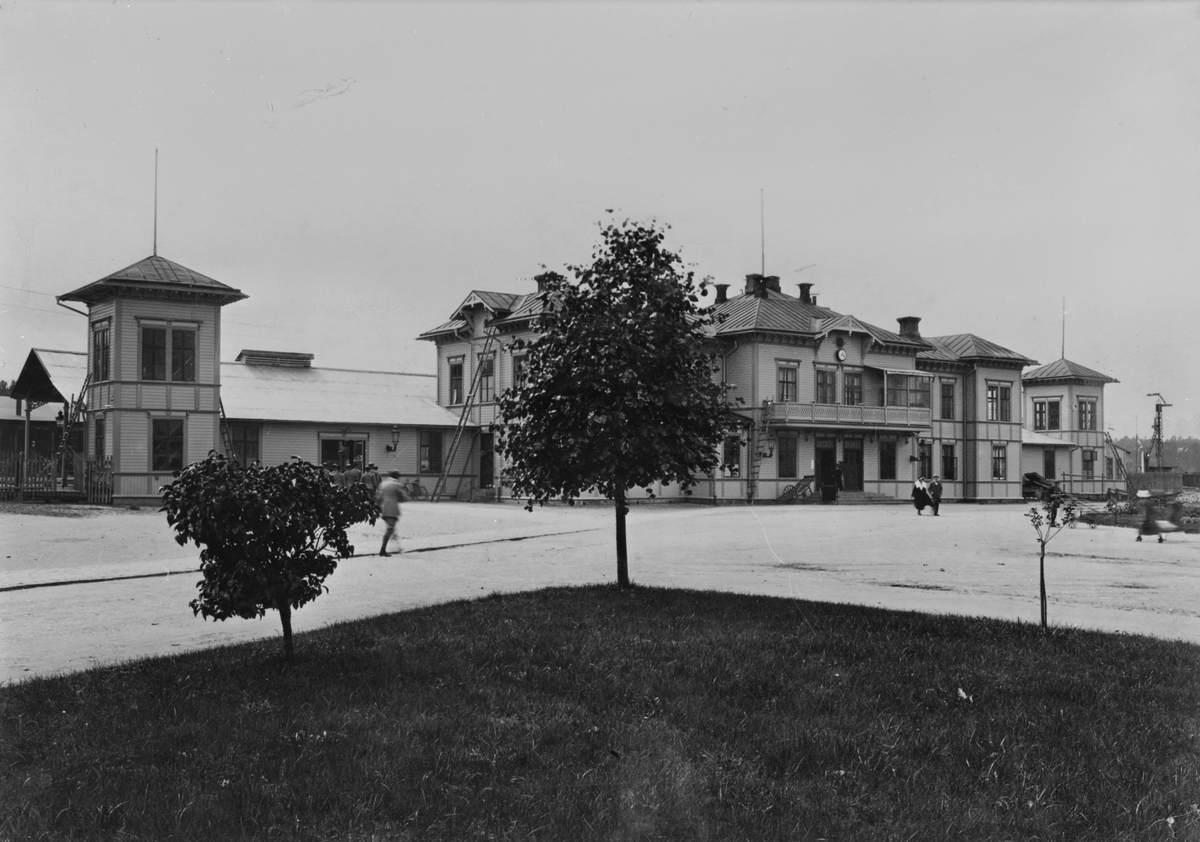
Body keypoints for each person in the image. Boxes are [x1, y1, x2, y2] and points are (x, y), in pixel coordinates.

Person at [377, 470, 404, 557]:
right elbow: (403, 498)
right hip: (392, 509)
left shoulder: (383, 484)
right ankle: (383, 549)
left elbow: (379, 498)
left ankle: (397, 547)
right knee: (390, 529)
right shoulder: (397, 485)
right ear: (397, 476)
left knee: (391, 528)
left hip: (384, 508)